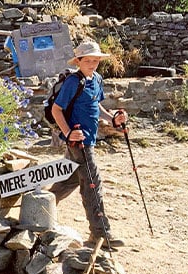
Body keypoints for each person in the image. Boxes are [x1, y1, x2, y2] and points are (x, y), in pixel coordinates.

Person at [50, 40, 128, 249]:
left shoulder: (97, 79)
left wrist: (112, 119)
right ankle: (100, 234)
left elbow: (97, 105)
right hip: (79, 142)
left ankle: (43, 207)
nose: (92, 64)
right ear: (78, 61)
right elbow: (56, 110)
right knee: (93, 183)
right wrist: (68, 134)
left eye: (96, 60)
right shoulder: (72, 82)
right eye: (88, 60)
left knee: (71, 180)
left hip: (90, 139)